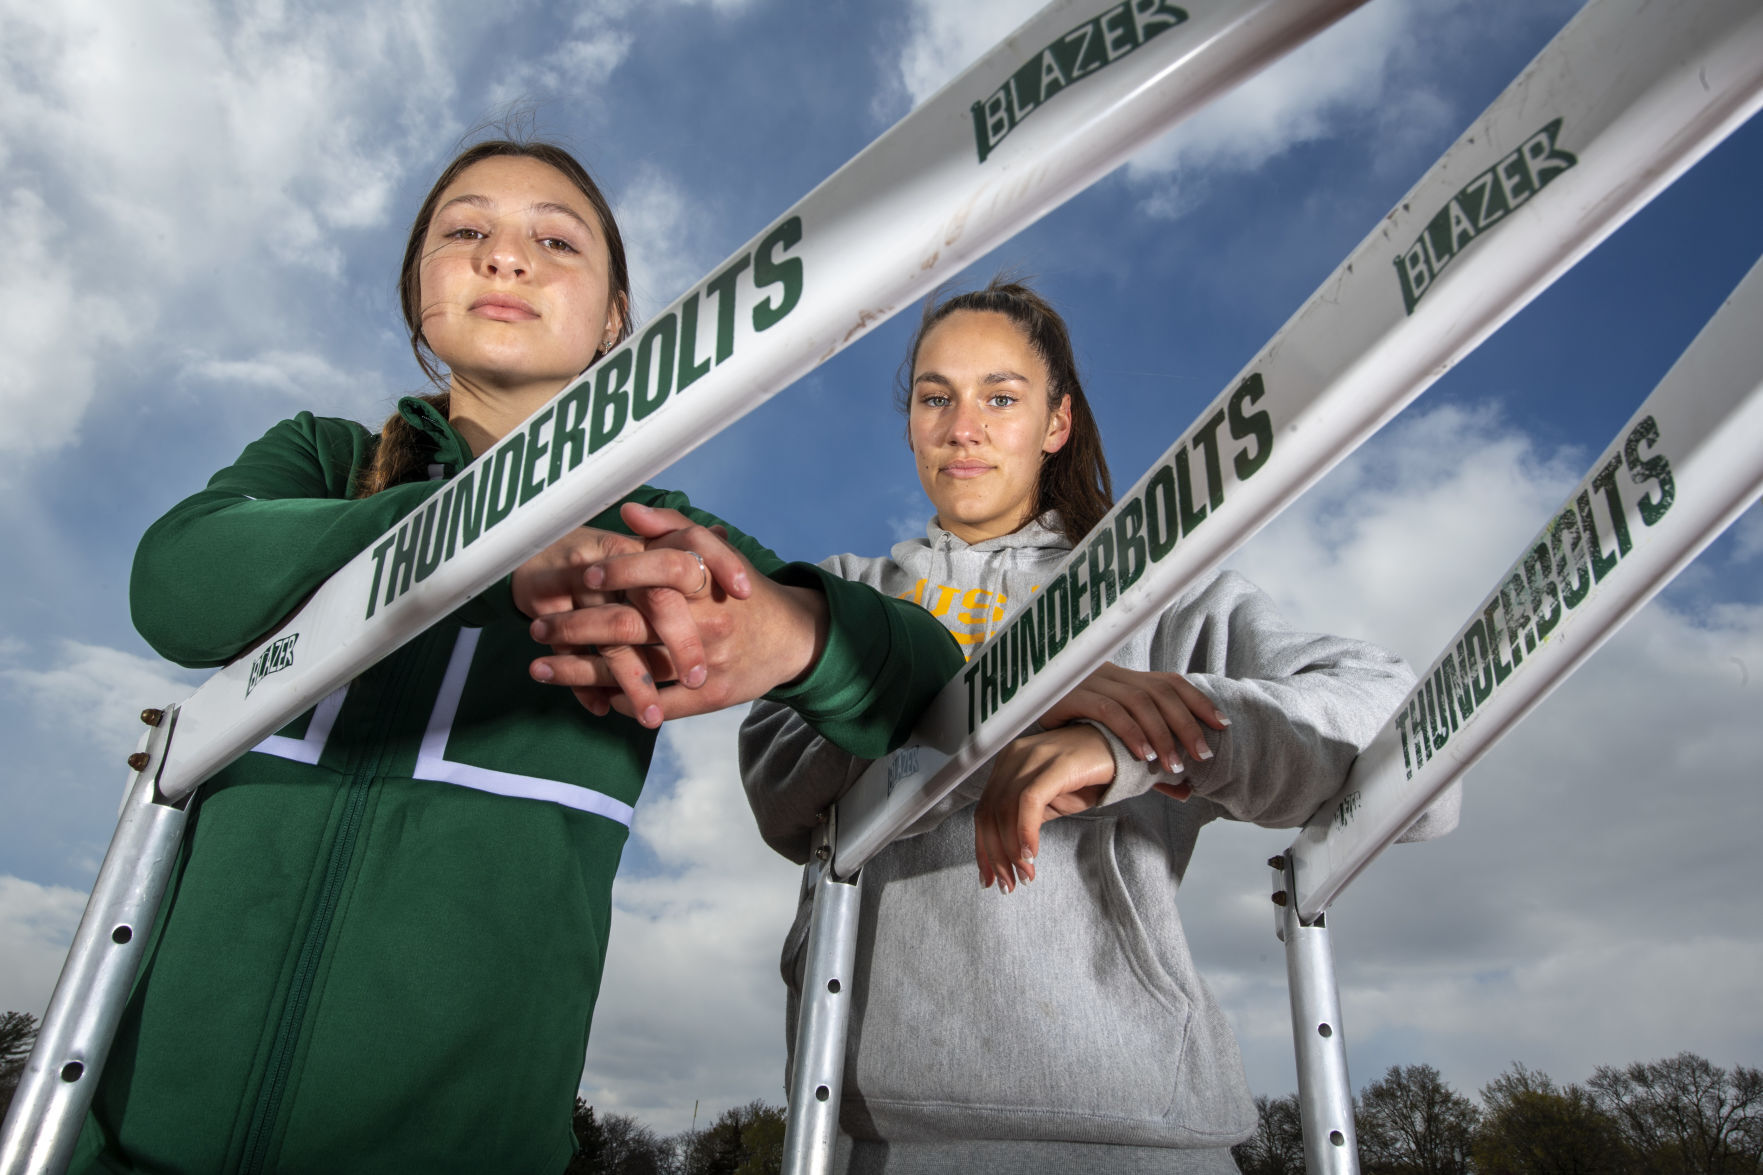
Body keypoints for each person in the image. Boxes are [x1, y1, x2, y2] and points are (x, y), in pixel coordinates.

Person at [74, 139, 962, 1175]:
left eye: (555, 240)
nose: (504, 257)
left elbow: (926, 676)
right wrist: (478, 543)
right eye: (466, 231)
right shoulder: (326, 463)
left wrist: (791, 631)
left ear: (615, 321)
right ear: (417, 296)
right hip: (135, 1147)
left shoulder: (653, 534)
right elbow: (175, 586)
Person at [741, 280, 1452, 1173]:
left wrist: (1133, 741)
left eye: (1001, 397)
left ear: (1056, 423)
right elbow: (776, 783)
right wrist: (1008, 703)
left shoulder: (1148, 594)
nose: (962, 428)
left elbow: (1402, 730)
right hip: (859, 1131)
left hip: (1133, 1126)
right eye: (934, 397)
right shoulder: (849, 596)